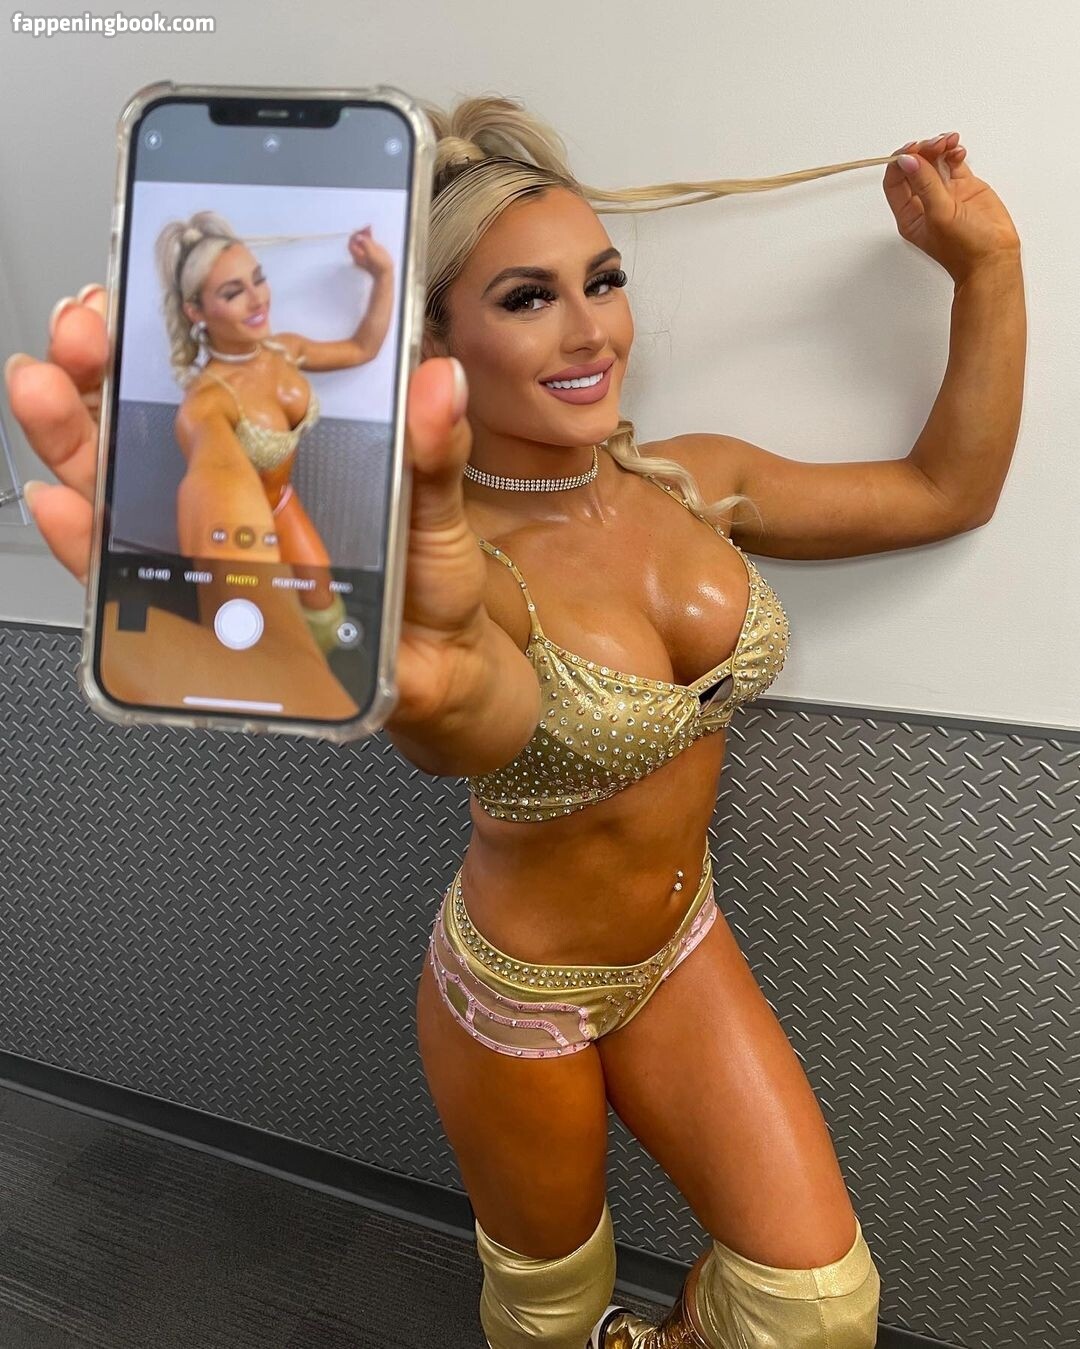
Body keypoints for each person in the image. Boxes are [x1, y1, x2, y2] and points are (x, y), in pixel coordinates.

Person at [5, 92, 1023, 1348]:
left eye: (604, 280)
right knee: (549, 1311)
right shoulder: (451, 561)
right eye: (529, 297)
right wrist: (422, 686)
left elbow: (945, 486)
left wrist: (987, 265)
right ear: (437, 337)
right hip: (519, 996)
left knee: (815, 1307)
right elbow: (469, 715)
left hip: (683, 943)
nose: (590, 328)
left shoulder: (693, 478)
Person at [155, 212, 395, 651]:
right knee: (255, 628)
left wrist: (383, 274)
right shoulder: (206, 402)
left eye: (258, 279)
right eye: (233, 293)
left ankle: (313, 668)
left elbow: (363, 347)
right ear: (196, 312)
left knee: (322, 597)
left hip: (281, 502)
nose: (257, 299)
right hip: (238, 528)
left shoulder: (285, 349)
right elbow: (209, 475)